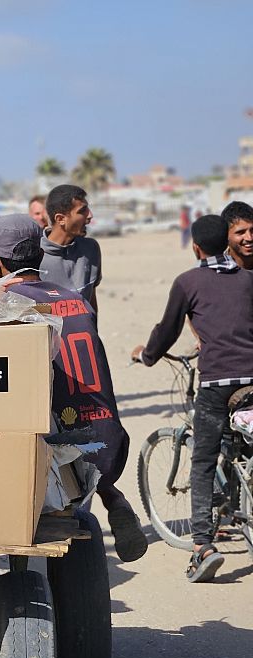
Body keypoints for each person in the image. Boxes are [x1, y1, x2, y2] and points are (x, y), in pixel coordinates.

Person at [0, 214, 147, 561]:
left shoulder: (6, 304)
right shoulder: (74, 298)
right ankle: (111, 495)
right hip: (107, 436)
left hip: (55, 443)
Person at [132, 214, 253, 582]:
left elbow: (166, 329)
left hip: (218, 384)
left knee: (202, 458)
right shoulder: (248, 280)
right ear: (229, 243)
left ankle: (202, 545)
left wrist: (147, 356)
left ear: (196, 247)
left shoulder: (188, 282)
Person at [41, 184, 102, 310]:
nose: (89, 216)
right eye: (82, 211)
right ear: (61, 219)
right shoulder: (35, 255)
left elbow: (91, 299)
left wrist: (93, 329)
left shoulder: (91, 249)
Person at [222, 201, 253, 270]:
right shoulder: (217, 271)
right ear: (225, 235)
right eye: (241, 232)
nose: (249, 238)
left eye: (252, 230)